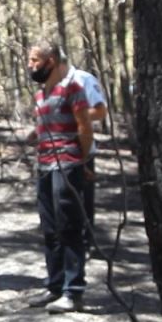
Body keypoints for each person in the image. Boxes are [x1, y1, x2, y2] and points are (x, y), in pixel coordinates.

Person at [25, 40, 93, 313]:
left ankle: (73, 290)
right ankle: (55, 285)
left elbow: (84, 127)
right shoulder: (41, 95)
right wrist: (33, 137)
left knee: (69, 228)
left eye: (34, 60)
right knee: (50, 229)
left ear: (50, 61)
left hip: (66, 165)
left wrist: (83, 161)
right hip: (44, 166)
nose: (30, 66)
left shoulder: (72, 89)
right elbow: (43, 127)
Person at [68, 65, 107, 243]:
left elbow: (100, 111)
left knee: (82, 199)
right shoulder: (49, 84)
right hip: (54, 153)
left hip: (80, 149)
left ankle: (85, 241)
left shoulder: (83, 79)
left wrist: (73, 116)